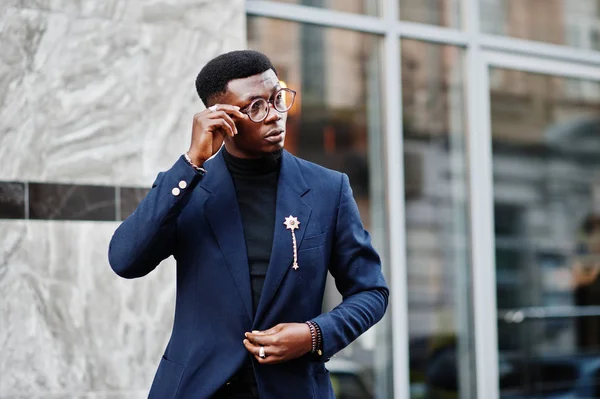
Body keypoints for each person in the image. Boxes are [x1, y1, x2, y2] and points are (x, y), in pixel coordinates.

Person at [108, 50, 389, 399]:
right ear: (222, 117)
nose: (275, 116)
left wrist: (313, 334)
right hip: (198, 388)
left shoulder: (328, 190)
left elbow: (371, 292)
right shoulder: (186, 188)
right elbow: (125, 260)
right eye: (255, 106)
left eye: (277, 98)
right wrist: (191, 162)